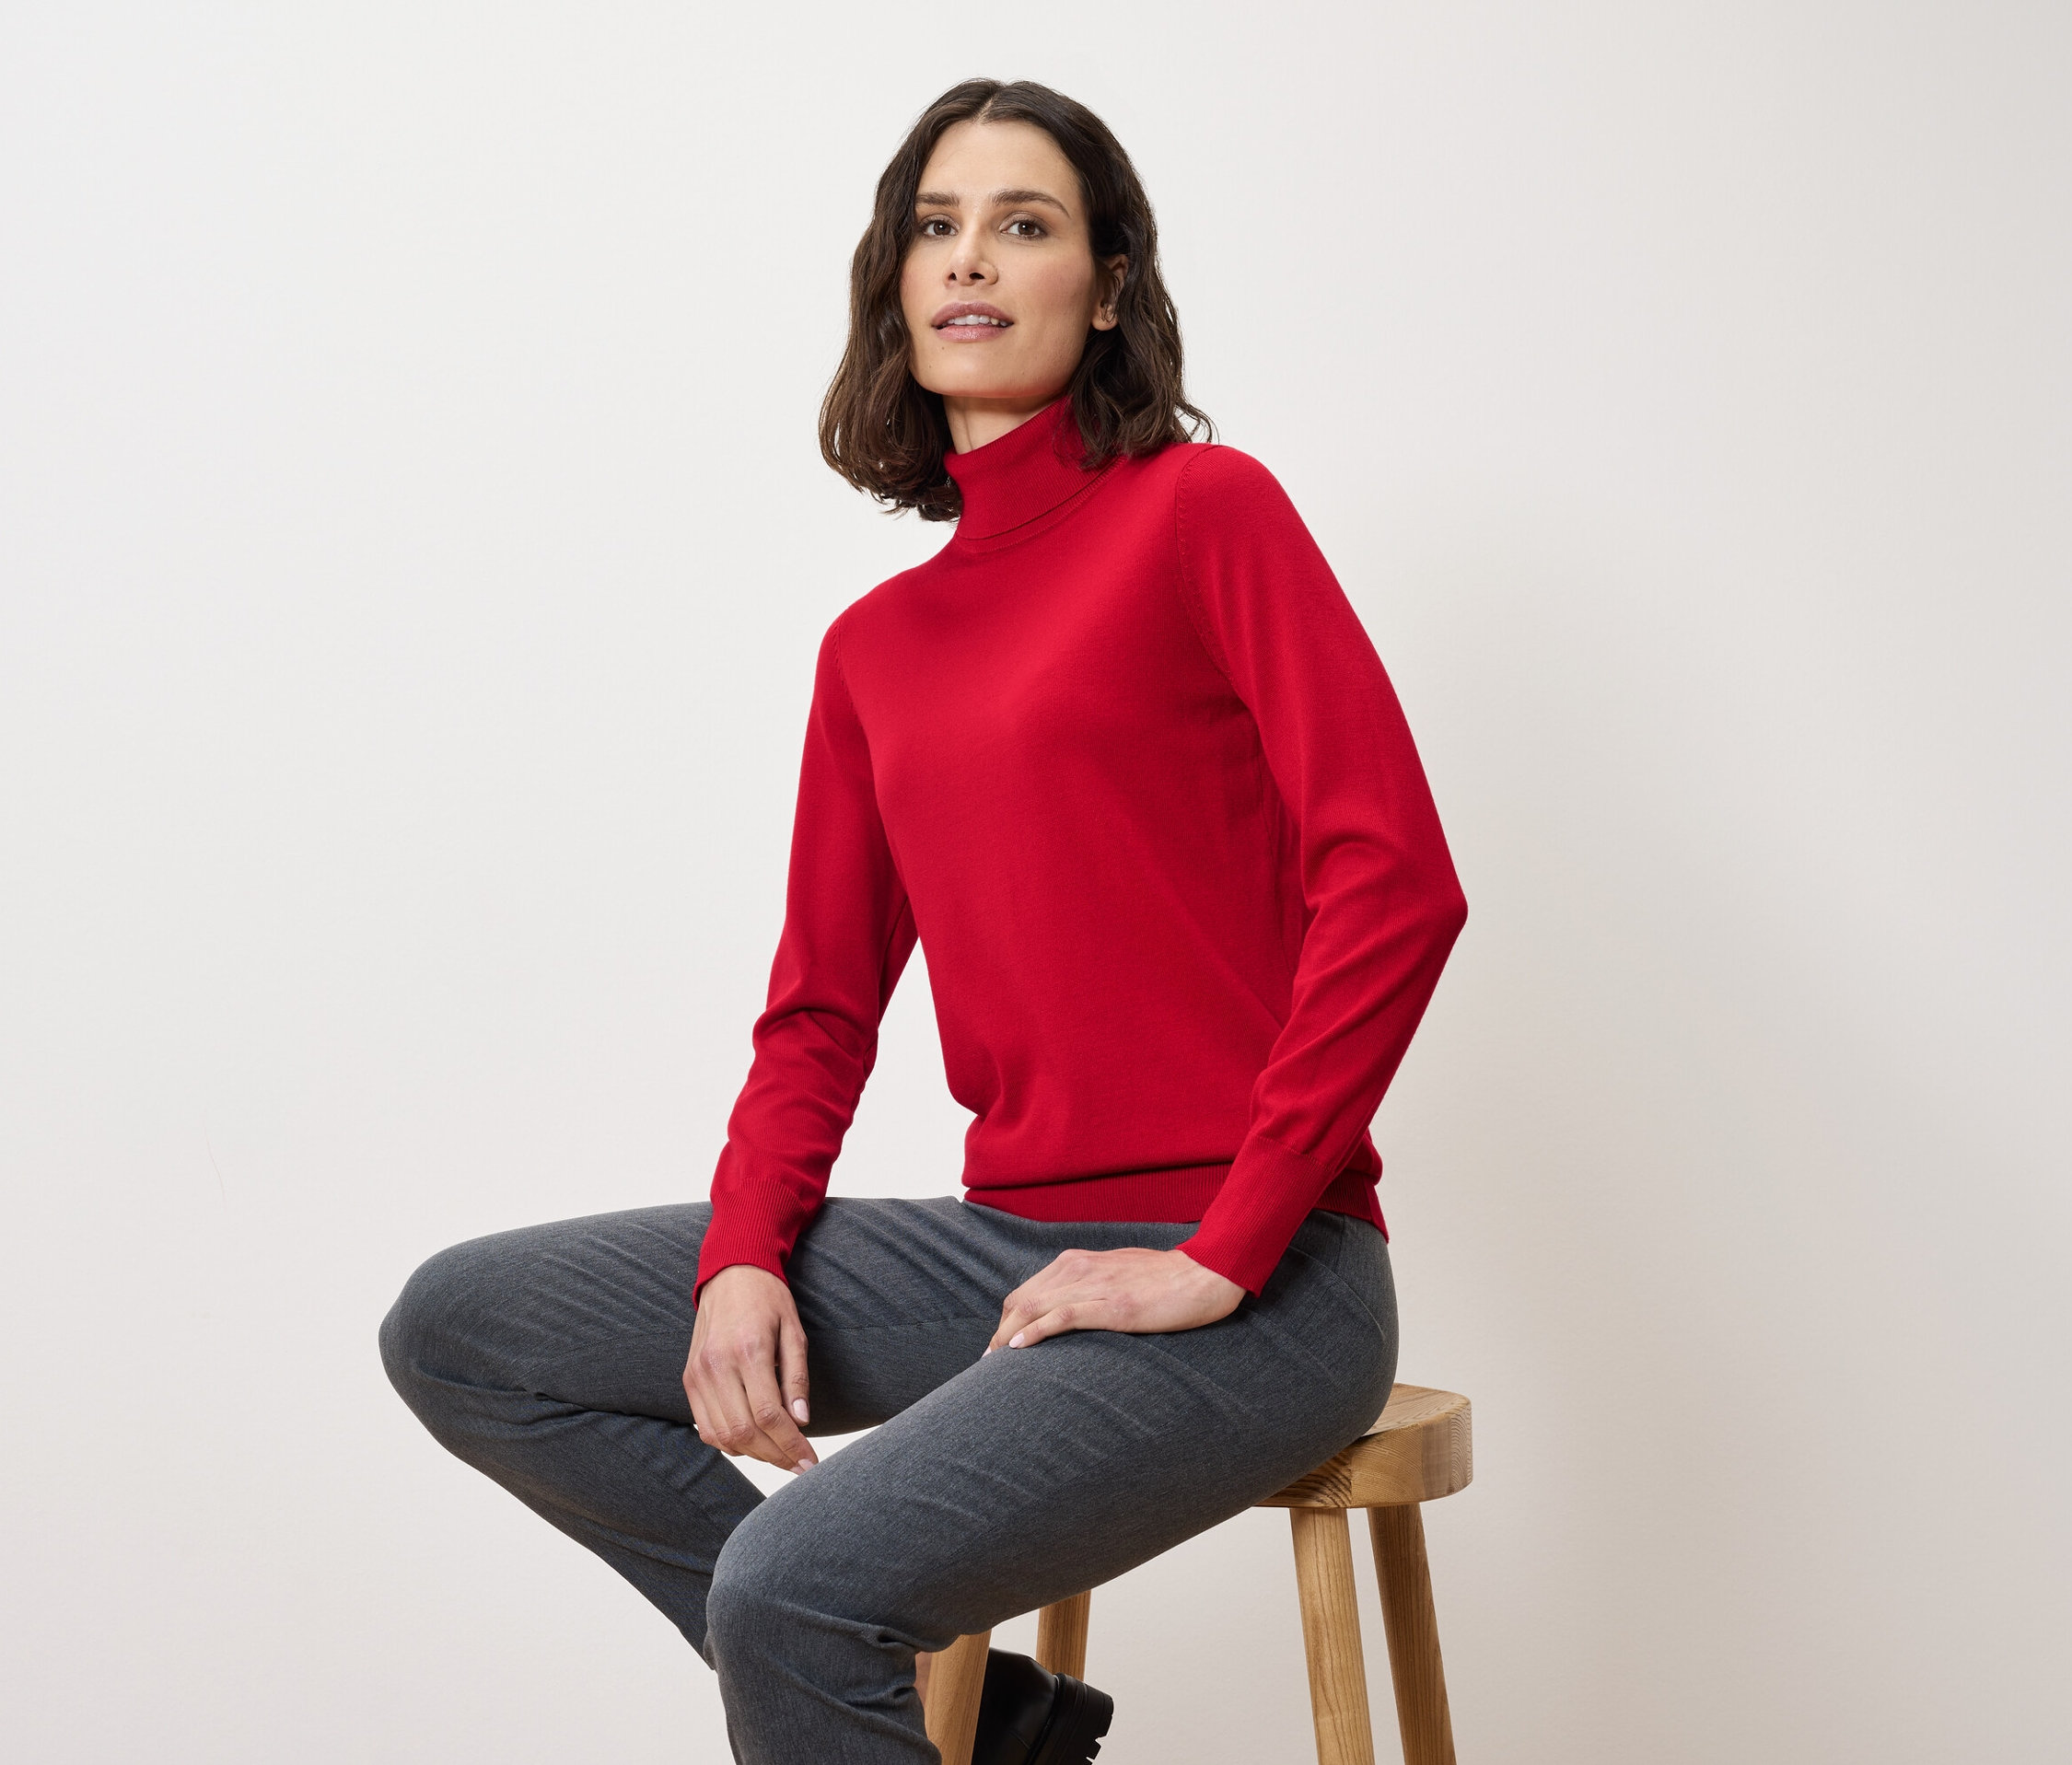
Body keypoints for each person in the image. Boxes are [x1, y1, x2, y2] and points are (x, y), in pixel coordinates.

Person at [380, 75, 1467, 1765]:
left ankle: (855, 1676)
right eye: (934, 227)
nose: (969, 261)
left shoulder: (1203, 510)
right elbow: (820, 1007)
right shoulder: (874, 648)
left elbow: (1393, 880)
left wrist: (1218, 1253)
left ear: (1106, 286)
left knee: (793, 1591)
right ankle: (1003, 1727)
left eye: (1023, 225)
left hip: (1269, 1275)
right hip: (1005, 1249)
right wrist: (744, 1247)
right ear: (893, 282)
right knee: (467, 1327)